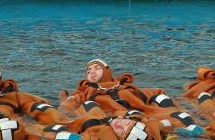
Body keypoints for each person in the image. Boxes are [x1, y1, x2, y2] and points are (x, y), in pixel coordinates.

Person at [59, 58, 203, 135]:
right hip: (113, 120)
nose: (92, 72)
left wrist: (178, 101)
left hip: (141, 113)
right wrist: (66, 102)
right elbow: (67, 108)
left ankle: (186, 126)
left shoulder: (123, 86)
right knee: (88, 106)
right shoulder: (82, 93)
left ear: (107, 72)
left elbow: (155, 92)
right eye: (88, 70)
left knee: (159, 100)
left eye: (97, 68)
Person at [49, 104, 178, 140]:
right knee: (89, 104)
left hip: (80, 125)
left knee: (56, 123)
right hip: (98, 114)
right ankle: (65, 99)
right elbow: (165, 124)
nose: (120, 125)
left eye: (121, 131)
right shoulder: (138, 120)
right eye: (127, 123)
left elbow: (67, 139)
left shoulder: (102, 135)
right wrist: (158, 137)